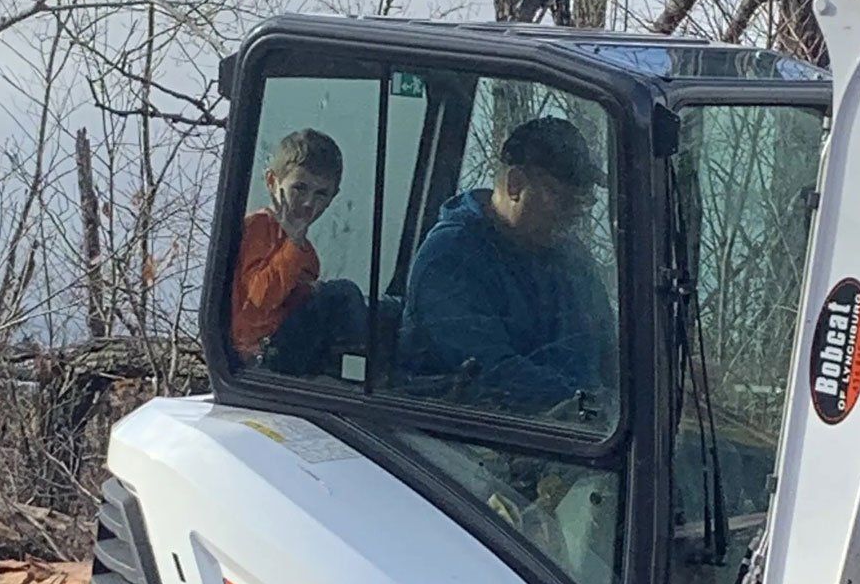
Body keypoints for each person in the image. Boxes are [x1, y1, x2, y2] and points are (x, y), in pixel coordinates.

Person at [397, 116, 616, 420]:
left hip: (581, 430)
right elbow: (491, 375)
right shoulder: (450, 258)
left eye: (581, 204)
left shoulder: (571, 259)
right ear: (515, 185)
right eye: (562, 199)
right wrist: (589, 406)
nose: (573, 216)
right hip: (481, 434)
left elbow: (609, 351)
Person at [231, 128, 366, 370]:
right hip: (256, 354)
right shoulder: (256, 229)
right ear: (273, 182)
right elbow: (258, 301)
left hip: (289, 348)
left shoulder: (308, 254)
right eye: (300, 188)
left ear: (333, 197)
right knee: (341, 294)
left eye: (321, 194)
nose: (308, 203)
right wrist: (292, 245)